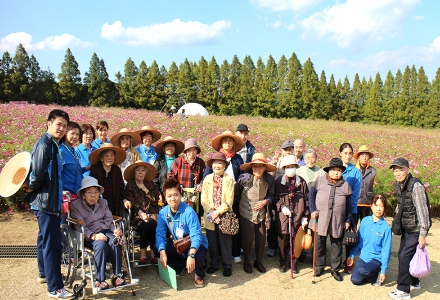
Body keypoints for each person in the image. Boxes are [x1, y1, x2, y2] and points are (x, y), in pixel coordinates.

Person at [24, 109, 74, 299]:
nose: (61, 128)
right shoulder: (45, 144)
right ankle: (55, 288)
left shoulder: (53, 144)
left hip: (50, 201)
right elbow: (37, 173)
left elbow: (54, 177)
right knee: (53, 245)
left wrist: (59, 197)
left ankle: (45, 274)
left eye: (64, 126)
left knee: (45, 240)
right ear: (49, 123)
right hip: (46, 203)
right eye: (58, 124)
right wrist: (31, 187)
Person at [70, 176, 126, 290]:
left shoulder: (103, 202)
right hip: (89, 235)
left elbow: (109, 219)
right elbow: (80, 225)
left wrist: (115, 229)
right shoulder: (76, 206)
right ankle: (100, 280)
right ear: (83, 194)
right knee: (100, 245)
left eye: (96, 192)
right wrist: (94, 236)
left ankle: (117, 276)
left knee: (116, 241)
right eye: (89, 192)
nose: (93, 195)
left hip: (105, 230)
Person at [388, 158, 431, 300]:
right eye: (395, 170)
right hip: (407, 226)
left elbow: (422, 210)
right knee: (408, 254)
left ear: (408, 169)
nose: (397, 173)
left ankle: (403, 290)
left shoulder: (416, 186)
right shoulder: (400, 185)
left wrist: (423, 233)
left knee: (404, 256)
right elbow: (402, 204)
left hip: (416, 228)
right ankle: (414, 281)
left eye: (400, 169)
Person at [154, 178, 208, 288]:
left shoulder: (189, 212)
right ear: (165, 197)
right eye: (169, 196)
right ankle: (182, 264)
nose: (173, 198)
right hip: (179, 243)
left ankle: (198, 273)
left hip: (194, 242)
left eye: (176, 195)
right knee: (156, 248)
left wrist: (192, 254)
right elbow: (160, 234)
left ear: (180, 195)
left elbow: (196, 235)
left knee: (197, 254)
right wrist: (162, 251)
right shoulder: (163, 213)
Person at [204, 130, 244, 263]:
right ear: (221, 143)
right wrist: (212, 210)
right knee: (214, 234)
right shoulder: (215, 159)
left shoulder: (237, 158)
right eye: (225, 141)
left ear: (233, 144)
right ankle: (216, 259)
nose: (227, 143)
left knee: (231, 226)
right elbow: (207, 178)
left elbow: (242, 174)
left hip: (233, 195)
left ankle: (234, 253)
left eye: (230, 141)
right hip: (214, 203)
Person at [309, 158, 352, 282]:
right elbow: (311, 196)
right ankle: (319, 266)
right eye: (333, 170)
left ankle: (335, 269)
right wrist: (312, 210)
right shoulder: (320, 180)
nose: (336, 173)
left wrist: (348, 219)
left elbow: (349, 205)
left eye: (338, 170)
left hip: (337, 220)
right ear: (328, 171)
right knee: (319, 244)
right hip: (320, 218)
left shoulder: (345, 185)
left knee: (336, 245)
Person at [234, 153, 275, 274]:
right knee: (247, 238)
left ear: (264, 167)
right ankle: (247, 261)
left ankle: (258, 261)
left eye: (260, 166)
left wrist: (265, 202)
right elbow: (236, 196)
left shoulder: (269, 179)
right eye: (255, 166)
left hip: (261, 214)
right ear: (251, 167)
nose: (257, 169)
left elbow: (272, 195)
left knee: (262, 238)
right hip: (246, 213)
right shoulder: (244, 178)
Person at [201, 152, 234, 277]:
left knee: (225, 242)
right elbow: (204, 199)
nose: (217, 165)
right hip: (210, 216)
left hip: (224, 215)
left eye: (220, 163)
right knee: (212, 242)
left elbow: (229, 200)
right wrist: (211, 211)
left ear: (224, 165)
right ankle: (214, 264)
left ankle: (227, 265)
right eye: (215, 163)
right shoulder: (207, 179)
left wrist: (218, 212)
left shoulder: (229, 179)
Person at [274, 155, 309, 273]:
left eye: (292, 167)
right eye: (288, 167)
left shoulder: (302, 182)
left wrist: (305, 216)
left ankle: (294, 263)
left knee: (296, 241)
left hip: (297, 216)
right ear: (284, 168)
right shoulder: (279, 182)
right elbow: (274, 199)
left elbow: (307, 200)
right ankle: (283, 262)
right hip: (283, 218)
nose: (290, 169)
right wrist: (282, 207)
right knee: (282, 240)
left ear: (296, 167)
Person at [347, 194, 392, 286]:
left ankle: (375, 276)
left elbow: (386, 250)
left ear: (384, 208)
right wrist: (351, 255)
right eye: (376, 205)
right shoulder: (365, 221)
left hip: (376, 259)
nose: (378, 209)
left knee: (363, 270)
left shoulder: (386, 228)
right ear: (371, 206)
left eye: (381, 206)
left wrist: (383, 270)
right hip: (363, 257)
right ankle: (369, 274)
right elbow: (359, 241)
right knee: (355, 280)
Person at [124, 160, 160, 265]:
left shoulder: (151, 184)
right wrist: (140, 213)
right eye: (138, 170)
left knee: (152, 225)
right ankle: (143, 255)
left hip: (151, 214)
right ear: (134, 172)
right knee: (145, 226)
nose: (140, 172)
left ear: (146, 173)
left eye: (143, 170)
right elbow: (131, 201)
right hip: (137, 216)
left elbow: (156, 200)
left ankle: (153, 253)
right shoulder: (130, 185)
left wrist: (145, 189)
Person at [267, 139, 295, 257]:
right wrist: (273, 164)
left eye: (290, 149)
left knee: (290, 224)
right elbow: (269, 178)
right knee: (274, 222)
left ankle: (288, 248)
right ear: (282, 151)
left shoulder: (295, 162)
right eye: (286, 150)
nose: (288, 152)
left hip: (289, 198)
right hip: (276, 197)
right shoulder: (276, 162)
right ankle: (272, 247)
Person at [339, 142, 362, 274]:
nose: (348, 156)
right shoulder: (336, 168)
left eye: (350, 153)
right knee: (336, 236)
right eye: (345, 153)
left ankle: (348, 262)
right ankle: (336, 260)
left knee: (349, 238)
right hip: (336, 209)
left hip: (350, 210)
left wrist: (349, 212)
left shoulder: (355, 171)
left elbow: (355, 194)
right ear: (340, 153)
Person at [89, 143, 128, 216]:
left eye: (112, 155)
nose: (109, 158)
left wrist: (125, 199)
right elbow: (92, 188)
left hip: (114, 205)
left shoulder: (116, 170)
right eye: (106, 155)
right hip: (98, 206)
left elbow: (121, 187)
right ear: (101, 158)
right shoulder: (95, 170)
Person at [59, 121, 86, 220]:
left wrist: (87, 168)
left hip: (76, 195)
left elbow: (76, 171)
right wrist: (60, 192)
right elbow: (56, 174)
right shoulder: (61, 151)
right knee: (63, 227)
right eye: (72, 133)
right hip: (65, 197)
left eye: (77, 134)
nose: (75, 137)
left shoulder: (74, 151)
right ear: (65, 133)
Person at [354, 145, 376, 224]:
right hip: (355, 203)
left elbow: (373, 185)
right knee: (352, 227)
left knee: (366, 226)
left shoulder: (373, 171)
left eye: (366, 155)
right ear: (358, 157)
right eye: (362, 155)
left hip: (367, 203)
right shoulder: (353, 169)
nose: (364, 157)